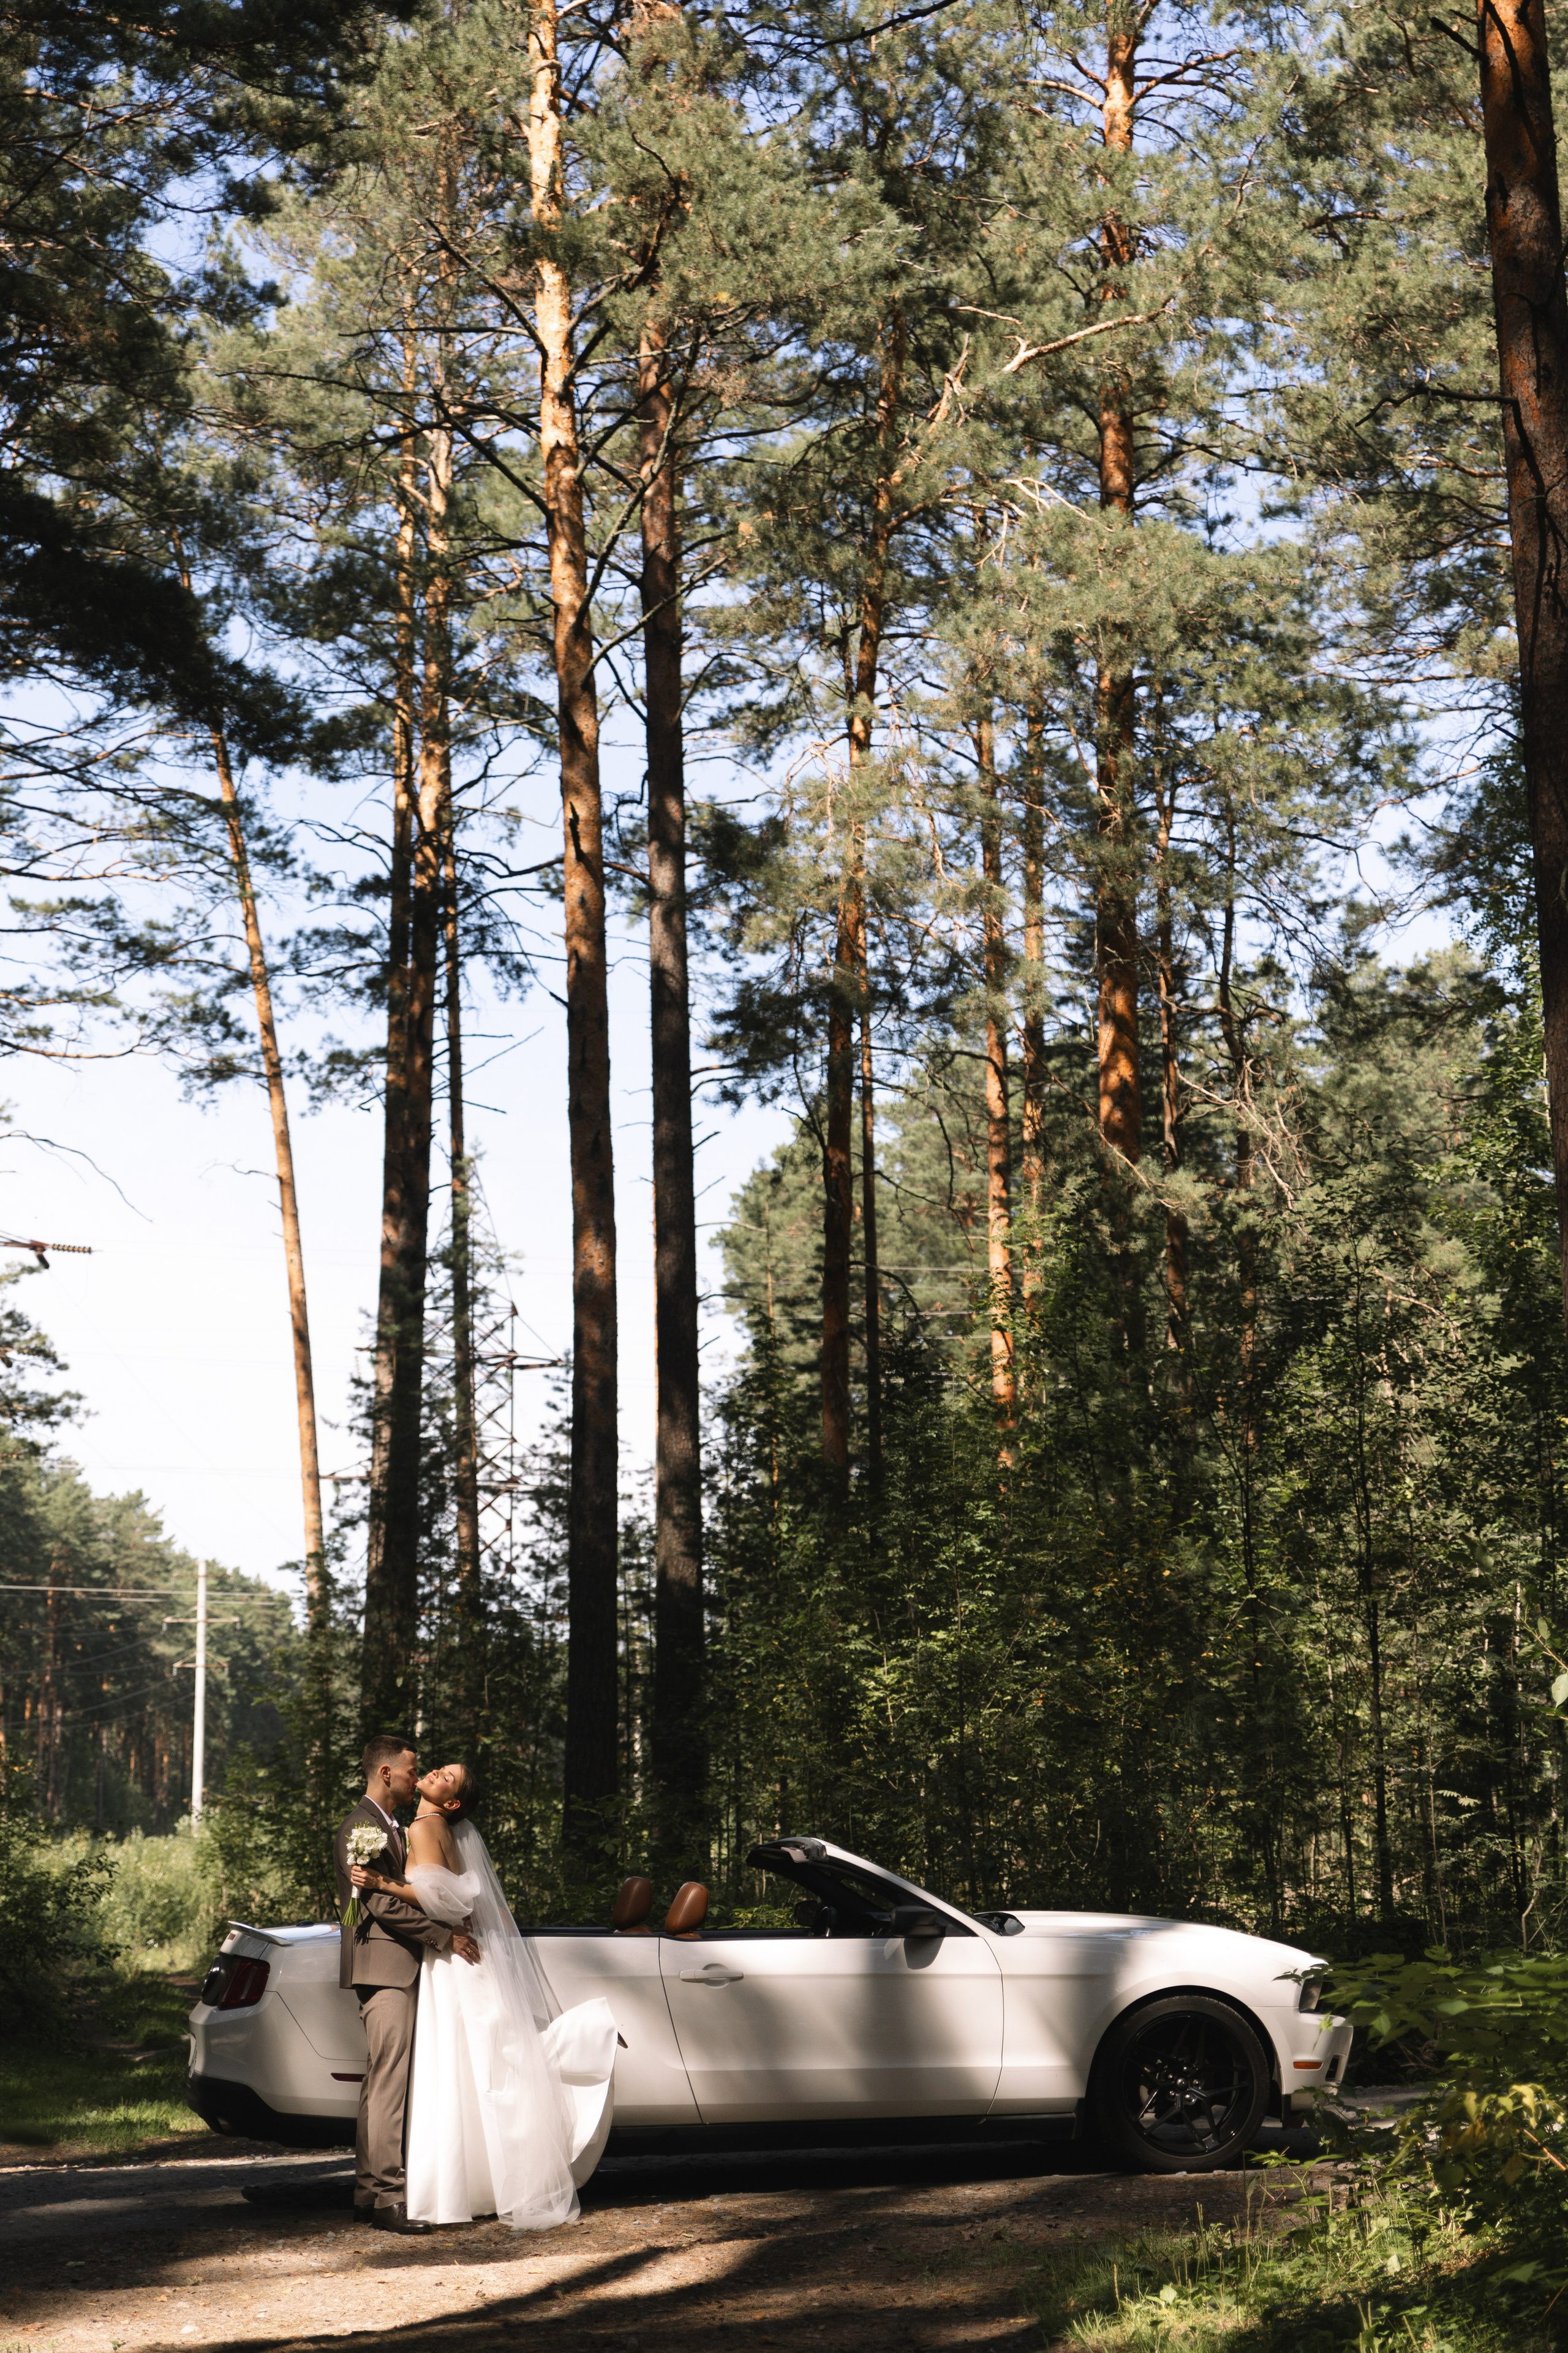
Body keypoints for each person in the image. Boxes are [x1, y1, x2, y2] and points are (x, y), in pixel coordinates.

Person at [349, 1758, 616, 2230]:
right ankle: (486, 2181)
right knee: (480, 2064)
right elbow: (454, 1895)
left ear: (451, 1802)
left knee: (464, 2067)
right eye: (435, 1769)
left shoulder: (426, 1825)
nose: (432, 1773)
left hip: (451, 1959)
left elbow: (444, 1899)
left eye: (445, 1777)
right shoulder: (437, 1826)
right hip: (453, 1956)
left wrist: (381, 1881)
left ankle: (459, 2185)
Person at [333, 1732, 480, 2235]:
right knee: (389, 2081)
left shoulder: (388, 1824)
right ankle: (389, 2199)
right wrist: (443, 1936)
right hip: (384, 1964)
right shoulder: (361, 1825)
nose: (419, 1776)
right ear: (387, 1772)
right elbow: (379, 1903)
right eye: (413, 1768)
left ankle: (368, 2191)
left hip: (390, 1963)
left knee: (380, 2081)